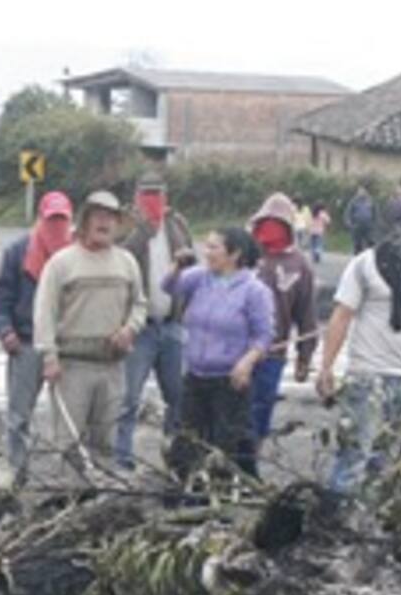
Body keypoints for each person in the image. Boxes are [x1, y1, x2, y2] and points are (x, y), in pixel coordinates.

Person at [316, 202, 401, 498]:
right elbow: (341, 316)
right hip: (366, 376)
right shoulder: (365, 263)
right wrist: (326, 366)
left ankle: (371, 527)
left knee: (387, 461)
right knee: (354, 456)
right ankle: (334, 526)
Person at [34, 191, 147, 470]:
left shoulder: (126, 262)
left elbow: (140, 305)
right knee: (69, 442)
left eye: (110, 217)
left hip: (112, 366)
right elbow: (44, 312)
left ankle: (103, 502)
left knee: (106, 442)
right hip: (72, 366)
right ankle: (69, 499)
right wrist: (49, 357)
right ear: (84, 222)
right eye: (97, 216)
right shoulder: (62, 263)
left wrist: (130, 330)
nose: (104, 223)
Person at [163, 228, 273, 479]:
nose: (207, 252)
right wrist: (177, 265)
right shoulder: (200, 278)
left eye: (214, 248)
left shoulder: (253, 290)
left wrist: (246, 363)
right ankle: (186, 496)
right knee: (187, 440)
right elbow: (168, 286)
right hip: (196, 374)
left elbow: (264, 336)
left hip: (229, 379)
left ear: (234, 254)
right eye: (207, 246)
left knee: (225, 447)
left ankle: (222, 502)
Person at [0, 190, 73, 478]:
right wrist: (5, 330)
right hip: (25, 344)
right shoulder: (17, 252)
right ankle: (17, 473)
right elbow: (0, 298)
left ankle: (71, 478)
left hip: (67, 348)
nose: (56, 227)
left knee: (71, 418)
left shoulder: (77, 254)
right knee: (18, 416)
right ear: (40, 218)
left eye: (62, 220)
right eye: (52, 220)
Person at [114, 172, 195, 470]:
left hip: (173, 324)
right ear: (136, 196)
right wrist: (144, 229)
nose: (153, 200)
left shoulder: (178, 224)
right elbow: (122, 259)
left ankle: (173, 455)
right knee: (128, 398)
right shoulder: (126, 225)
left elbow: (191, 266)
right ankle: (122, 460)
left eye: (158, 194)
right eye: (147, 194)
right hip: (140, 327)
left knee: (178, 396)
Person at [249, 193, 318, 473]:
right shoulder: (245, 256)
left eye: (277, 224)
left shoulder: (299, 265)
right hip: (235, 350)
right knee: (231, 411)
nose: (270, 231)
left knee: (260, 412)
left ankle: (248, 466)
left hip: (273, 353)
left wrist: (305, 357)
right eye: (266, 223)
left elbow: (307, 316)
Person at [344, 185, 377, 254]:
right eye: (359, 191)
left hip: (368, 225)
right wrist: (349, 223)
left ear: (366, 192)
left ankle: (369, 258)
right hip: (357, 224)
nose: (361, 193)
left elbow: (375, 213)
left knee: (370, 242)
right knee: (357, 243)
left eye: (363, 191)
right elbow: (348, 212)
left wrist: (375, 224)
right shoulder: (353, 201)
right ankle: (357, 257)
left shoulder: (371, 201)